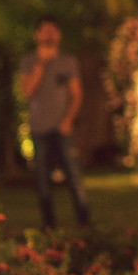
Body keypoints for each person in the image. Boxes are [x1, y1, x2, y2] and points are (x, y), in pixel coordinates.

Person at [19, 16, 91, 230]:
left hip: (63, 128)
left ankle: (84, 224)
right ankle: (49, 226)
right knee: (42, 180)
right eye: (45, 31)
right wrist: (40, 65)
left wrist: (68, 119)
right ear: (37, 35)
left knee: (74, 177)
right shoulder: (28, 61)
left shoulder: (68, 62)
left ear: (58, 35)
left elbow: (77, 94)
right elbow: (27, 92)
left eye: (53, 31)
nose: (49, 35)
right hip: (39, 128)